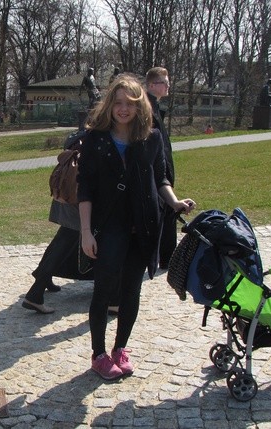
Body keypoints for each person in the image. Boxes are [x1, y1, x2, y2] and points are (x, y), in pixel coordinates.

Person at [77, 73, 195, 380]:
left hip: (142, 226)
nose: (123, 109)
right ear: (109, 105)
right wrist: (86, 232)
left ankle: (121, 349)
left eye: (130, 103)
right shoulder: (94, 139)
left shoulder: (151, 138)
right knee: (103, 291)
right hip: (108, 226)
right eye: (117, 103)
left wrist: (175, 203)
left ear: (139, 105)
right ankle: (99, 354)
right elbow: (85, 189)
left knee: (131, 291)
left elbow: (160, 179)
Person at [22, 135, 93, 315]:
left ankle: (42, 277)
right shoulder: (101, 129)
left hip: (68, 187)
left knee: (62, 239)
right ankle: (35, 294)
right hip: (77, 194)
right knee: (65, 241)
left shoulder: (86, 130)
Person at [145, 67, 177, 270]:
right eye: (164, 83)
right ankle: (165, 256)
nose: (167, 86)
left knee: (167, 211)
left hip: (162, 167)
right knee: (163, 211)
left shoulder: (155, 107)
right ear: (151, 85)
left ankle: (166, 256)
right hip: (157, 170)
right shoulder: (147, 108)